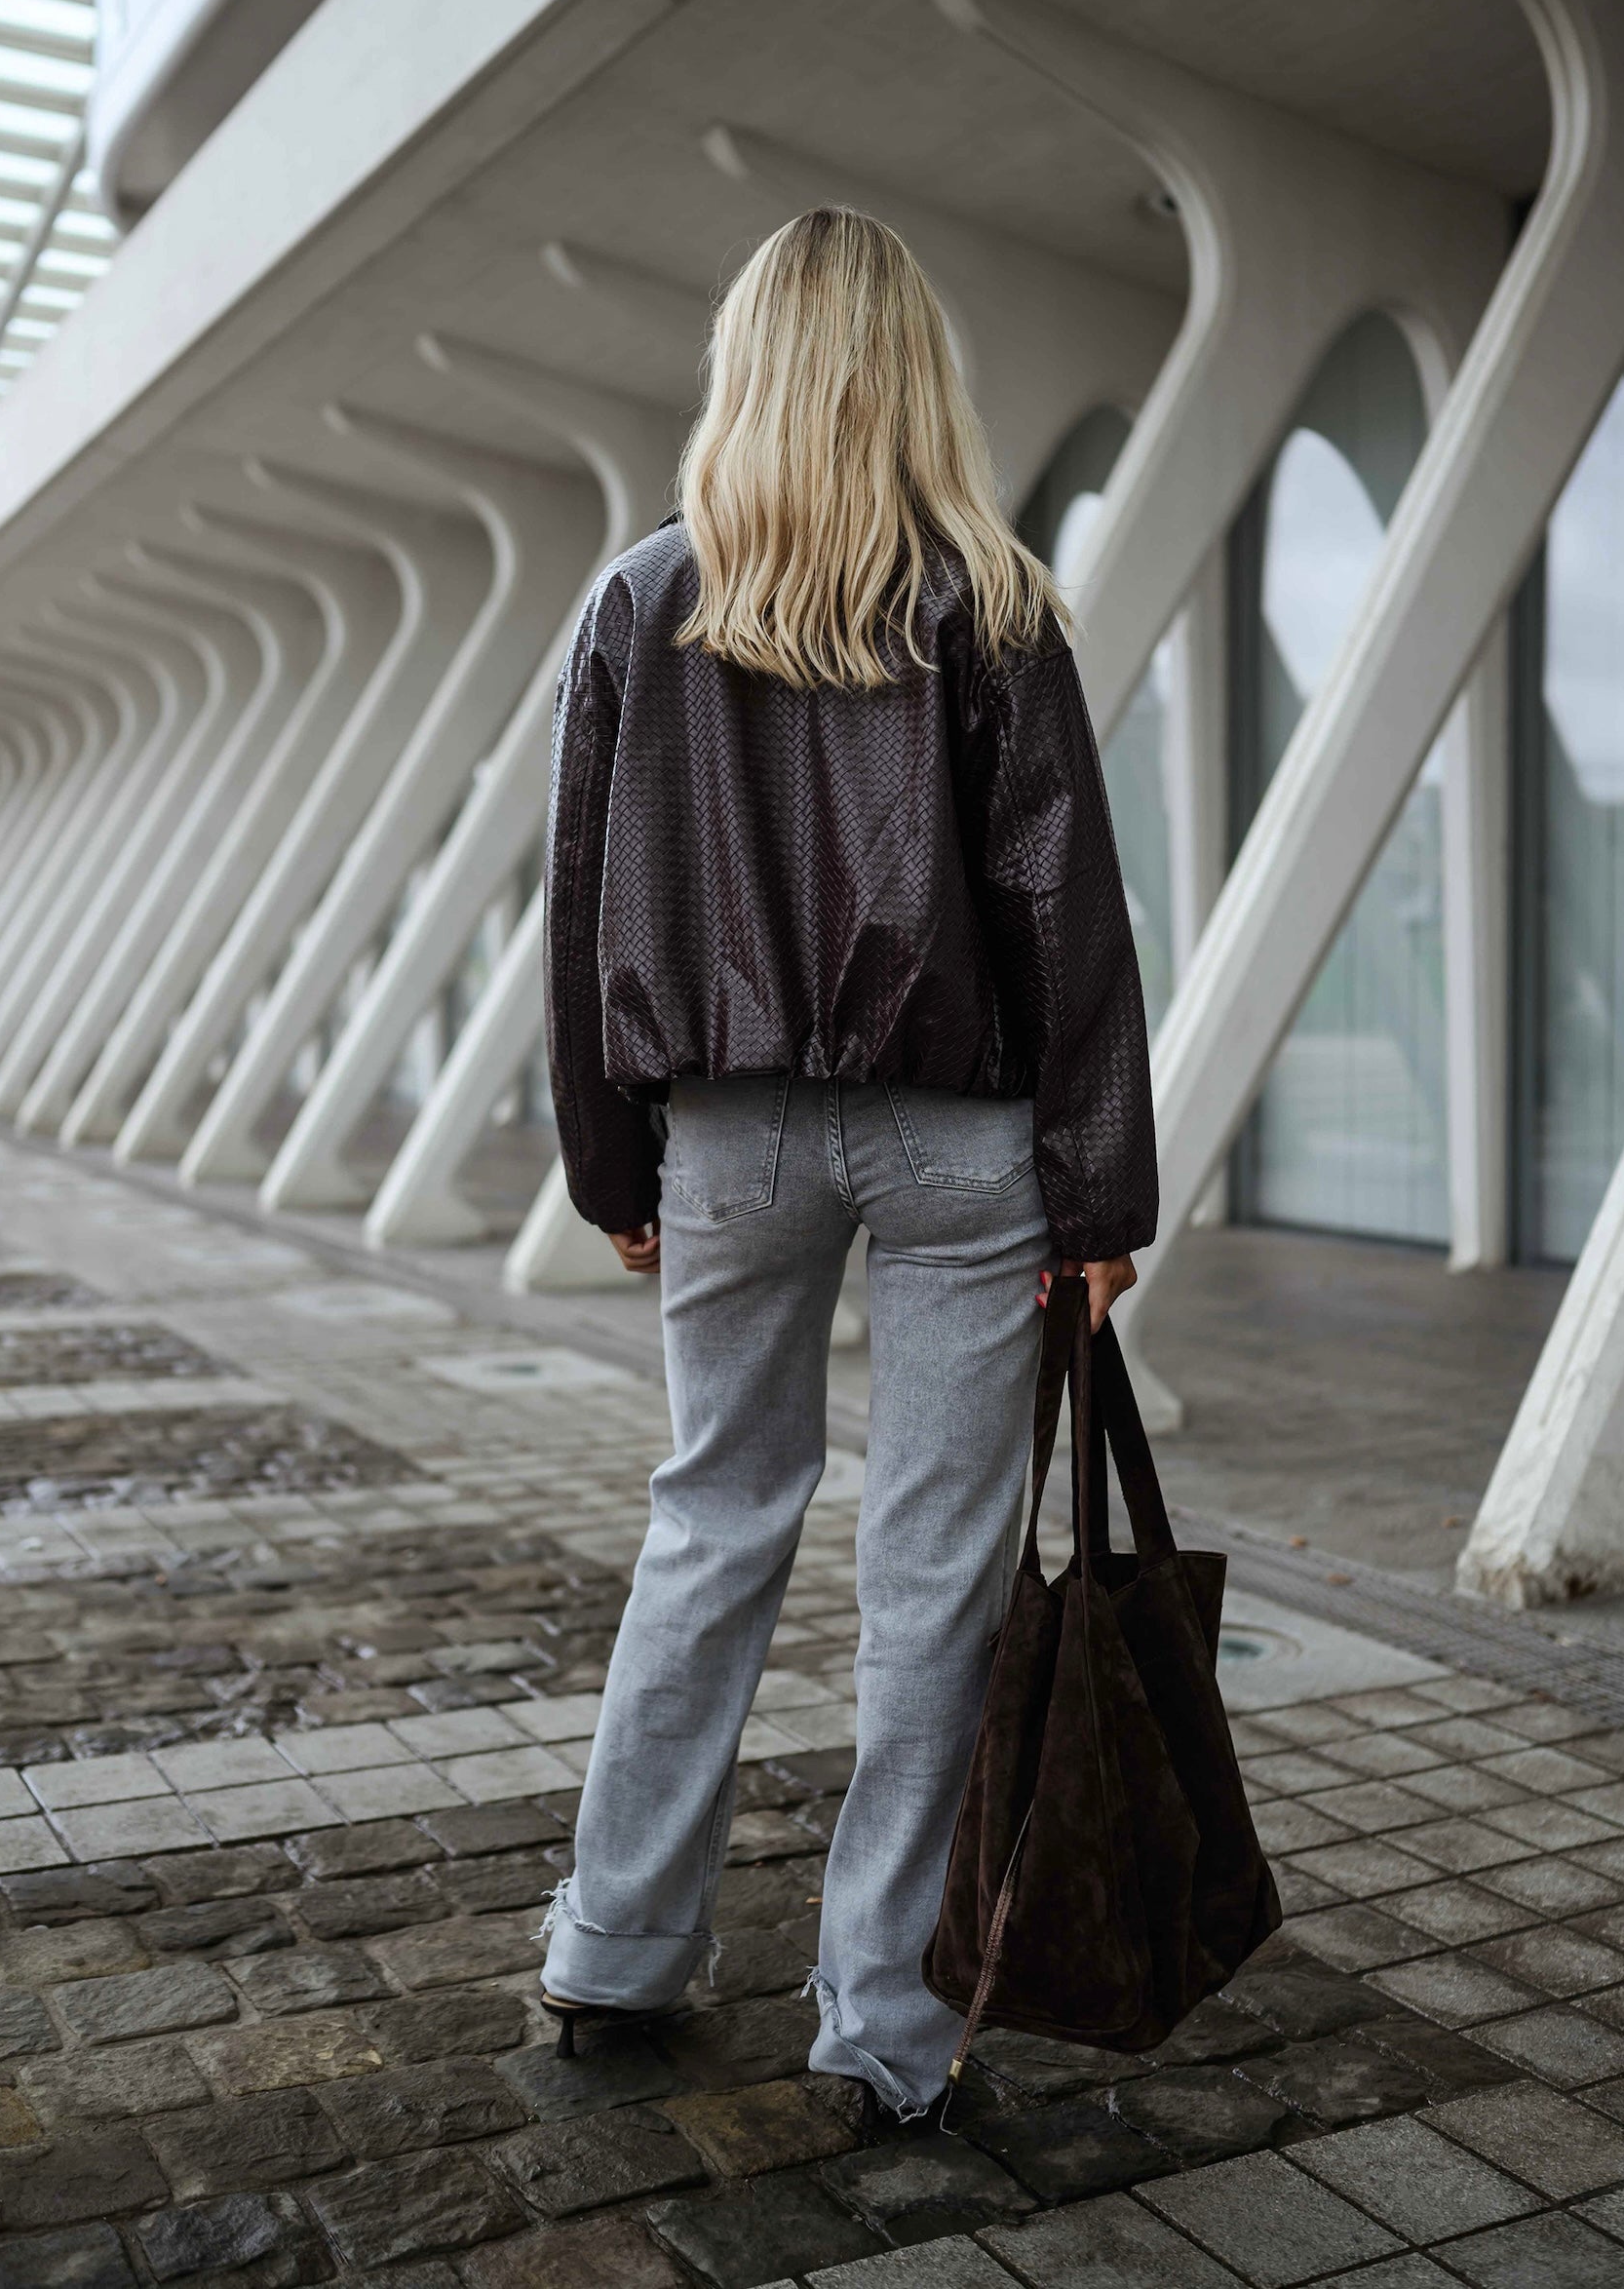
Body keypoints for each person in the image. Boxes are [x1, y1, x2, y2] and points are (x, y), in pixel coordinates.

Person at [539, 205, 1157, 2117]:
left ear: (747, 369)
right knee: (933, 1571)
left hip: (722, 1127)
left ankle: (615, 1950)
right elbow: (1063, 910)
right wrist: (1098, 1191)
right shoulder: (990, 601)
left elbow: (575, 913)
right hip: (961, 1137)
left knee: (713, 1510)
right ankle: (883, 2025)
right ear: (913, 377)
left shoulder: (641, 600)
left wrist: (609, 1163)